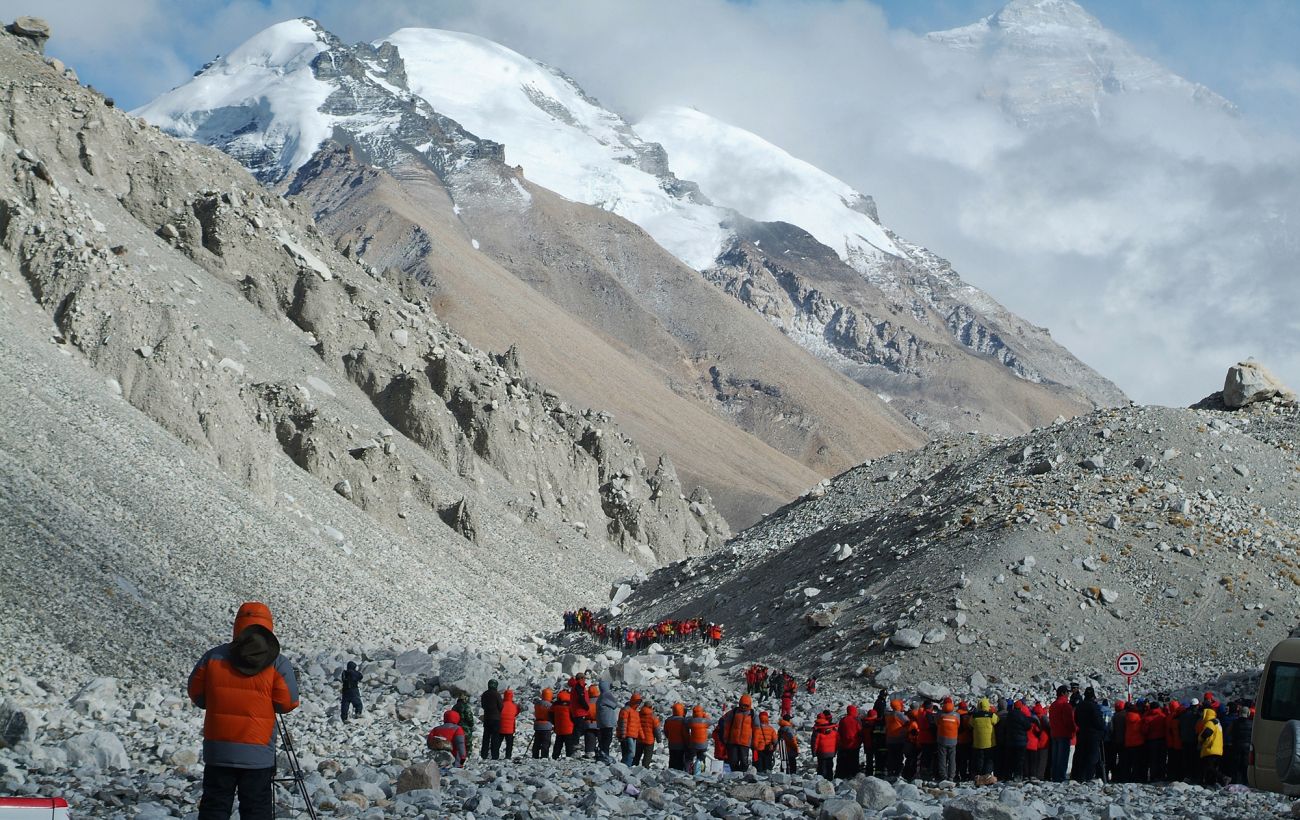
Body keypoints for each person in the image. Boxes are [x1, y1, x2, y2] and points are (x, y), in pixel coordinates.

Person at [188, 602, 300, 820]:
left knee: (214, 807)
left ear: (237, 625)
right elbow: (287, 703)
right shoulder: (277, 662)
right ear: (269, 627)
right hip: (258, 753)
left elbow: (197, 694)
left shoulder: (213, 657)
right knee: (256, 809)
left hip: (218, 750)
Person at [1072, 687, 1106, 782]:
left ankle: (1079, 776)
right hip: (1093, 734)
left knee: (1081, 755)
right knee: (1092, 756)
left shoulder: (1080, 705)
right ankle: (1088, 776)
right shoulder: (1094, 706)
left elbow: (1076, 719)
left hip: (1082, 733)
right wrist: (1103, 729)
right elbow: (1099, 722)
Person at [721, 694, 759, 772]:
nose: (743, 707)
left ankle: (742, 776)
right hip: (733, 741)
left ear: (749, 705)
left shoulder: (752, 714)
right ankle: (735, 775)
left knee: (744, 761)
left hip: (745, 743)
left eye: (746, 705)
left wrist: (755, 742)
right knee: (733, 760)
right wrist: (725, 737)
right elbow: (727, 724)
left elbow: (757, 729)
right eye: (742, 705)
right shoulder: (734, 712)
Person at [1048, 686, 1075, 782]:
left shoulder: (1053, 705)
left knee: (1055, 757)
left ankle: (1055, 776)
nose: (1069, 694)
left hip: (1054, 733)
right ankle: (1060, 777)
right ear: (1063, 693)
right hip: (1064, 734)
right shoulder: (1065, 705)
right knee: (1062, 757)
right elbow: (1069, 721)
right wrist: (1074, 730)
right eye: (1067, 692)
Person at [969, 698, 998, 783]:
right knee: (989, 759)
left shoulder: (974, 716)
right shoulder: (991, 715)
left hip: (978, 743)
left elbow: (970, 725)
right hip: (990, 742)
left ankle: (980, 775)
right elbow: (997, 721)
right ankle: (988, 775)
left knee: (979, 759)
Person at [934, 698, 960, 782]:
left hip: (942, 739)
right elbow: (958, 725)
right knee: (952, 758)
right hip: (953, 740)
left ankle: (943, 776)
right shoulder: (956, 715)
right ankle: (951, 776)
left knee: (942, 758)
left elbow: (936, 723)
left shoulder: (939, 715)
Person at [1226, 704, 1252, 784]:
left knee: (1235, 765)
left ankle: (1235, 781)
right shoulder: (1251, 723)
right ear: (1248, 714)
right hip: (1247, 746)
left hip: (1236, 745)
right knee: (1245, 765)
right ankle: (1245, 781)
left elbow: (1228, 732)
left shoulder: (1234, 722)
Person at [1198, 706, 1224, 787]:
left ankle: (1223, 777)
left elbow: (1207, 732)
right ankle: (1211, 783)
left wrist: (1201, 739)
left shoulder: (1210, 722)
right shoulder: (1217, 722)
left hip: (1210, 748)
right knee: (1212, 767)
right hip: (1218, 749)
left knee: (1208, 767)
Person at [836, 705, 862, 779]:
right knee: (854, 761)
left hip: (844, 745)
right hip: (854, 744)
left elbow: (839, 732)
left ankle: (843, 775)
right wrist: (860, 741)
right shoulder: (857, 720)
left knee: (844, 761)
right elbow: (860, 732)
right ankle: (853, 774)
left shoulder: (843, 720)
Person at [480, 680, 503, 760]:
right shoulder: (497, 695)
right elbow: (501, 706)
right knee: (495, 738)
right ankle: (495, 755)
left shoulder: (484, 694)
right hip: (496, 719)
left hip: (487, 718)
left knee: (486, 737)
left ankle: (484, 755)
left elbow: (483, 705)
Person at [596, 681, 619, 762]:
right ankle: (605, 754)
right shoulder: (607, 694)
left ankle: (601, 753)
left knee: (602, 739)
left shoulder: (600, 696)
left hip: (601, 721)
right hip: (608, 721)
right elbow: (615, 704)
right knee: (607, 739)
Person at [618, 694, 644, 766]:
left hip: (633, 735)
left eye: (639, 702)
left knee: (629, 752)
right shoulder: (626, 710)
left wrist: (642, 736)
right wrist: (623, 734)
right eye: (637, 702)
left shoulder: (635, 712)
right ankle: (627, 766)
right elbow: (623, 722)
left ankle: (624, 765)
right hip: (627, 735)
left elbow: (638, 725)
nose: (638, 704)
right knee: (631, 752)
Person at [551, 690, 576, 758]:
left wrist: (554, 723)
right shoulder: (570, 705)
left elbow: (550, 715)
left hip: (559, 728)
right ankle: (569, 756)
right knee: (569, 744)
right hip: (569, 728)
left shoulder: (555, 705)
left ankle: (555, 756)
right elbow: (573, 716)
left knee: (558, 744)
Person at [664, 703, 689, 771]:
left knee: (672, 760)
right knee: (680, 761)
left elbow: (666, 732)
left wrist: (670, 737)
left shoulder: (668, 720)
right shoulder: (683, 721)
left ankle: (670, 773)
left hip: (671, 744)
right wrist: (688, 743)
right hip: (681, 745)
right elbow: (685, 734)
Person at [812, 711, 837, 780]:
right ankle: (830, 781)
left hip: (821, 753)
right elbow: (837, 740)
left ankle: (821, 782)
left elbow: (814, 743)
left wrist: (814, 754)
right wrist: (835, 751)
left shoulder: (817, 730)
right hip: (831, 752)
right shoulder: (833, 729)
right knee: (829, 767)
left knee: (821, 768)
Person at [687, 705, 711, 773]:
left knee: (692, 758)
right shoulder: (705, 721)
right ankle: (702, 771)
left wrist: (693, 716)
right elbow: (710, 721)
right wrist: (704, 715)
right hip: (703, 744)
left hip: (693, 744)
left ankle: (691, 771)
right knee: (702, 758)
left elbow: (686, 722)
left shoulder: (691, 721)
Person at [637, 701, 661, 767]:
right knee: (647, 758)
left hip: (639, 739)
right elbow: (657, 730)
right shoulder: (653, 717)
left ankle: (633, 768)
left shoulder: (638, 714)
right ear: (651, 707)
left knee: (637, 756)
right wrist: (659, 740)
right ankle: (644, 770)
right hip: (649, 740)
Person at [531, 688, 553, 759]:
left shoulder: (537, 704)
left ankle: (535, 756)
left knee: (537, 742)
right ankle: (544, 756)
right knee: (545, 743)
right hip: (546, 725)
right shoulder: (550, 705)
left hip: (537, 725)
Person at [498, 689, 519, 760]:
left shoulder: (501, 704)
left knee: (498, 743)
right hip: (510, 729)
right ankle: (508, 756)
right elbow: (516, 713)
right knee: (509, 744)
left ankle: (495, 755)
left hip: (500, 727)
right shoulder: (514, 706)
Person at [584, 684, 601, 758]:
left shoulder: (586, 702)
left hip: (588, 724)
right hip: (599, 724)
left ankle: (589, 752)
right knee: (601, 740)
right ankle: (601, 752)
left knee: (590, 740)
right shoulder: (600, 701)